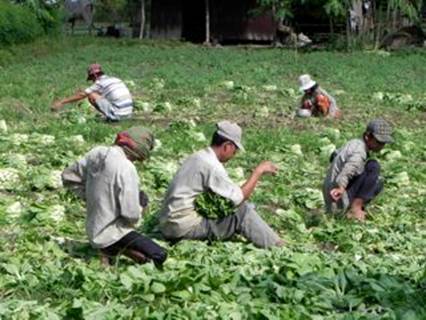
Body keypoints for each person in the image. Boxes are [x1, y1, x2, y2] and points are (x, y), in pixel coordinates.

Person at [158, 120, 284, 248]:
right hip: (183, 229)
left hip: (167, 225)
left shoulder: (198, 156)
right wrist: (258, 172)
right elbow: (239, 198)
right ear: (227, 146)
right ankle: (277, 246)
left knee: (238, 208)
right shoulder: (212, 165)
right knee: (242, 210)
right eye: (234, 151)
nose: (233, 155)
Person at [61, 126, 167, 266]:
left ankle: (111, 249)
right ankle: (113, 248)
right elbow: (130, 215)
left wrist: (91, 196)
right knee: (160, 255)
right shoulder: (126, 168)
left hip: (93, 229)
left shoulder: (97, 152)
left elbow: (68, 176)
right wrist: (141, 207)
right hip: (116, 232)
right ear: (137, 152)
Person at [323, 118, 393, 221]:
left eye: (383, 143)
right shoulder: (360, 152)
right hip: (337, 197)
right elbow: (348, 170)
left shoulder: (354, 142)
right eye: (379, 142)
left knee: (372, 176)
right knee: (373, 168)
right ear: (367, 136)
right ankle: (355, 209)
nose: (381, 146)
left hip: (329, 194)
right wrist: (340, 187)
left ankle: (351, 207)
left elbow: (333, 155)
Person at [52, 64, 133, 121]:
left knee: (91, 95)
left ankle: (111, 117)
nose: (93, 81)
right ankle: (113, 115)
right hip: (128, 114)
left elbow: (82, 95)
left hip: (119, 115)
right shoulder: (116, 79)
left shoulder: (99, 83)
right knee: (95, 94)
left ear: (95, 76)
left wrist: (62, 102)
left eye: (92, 79)